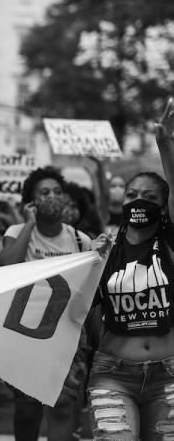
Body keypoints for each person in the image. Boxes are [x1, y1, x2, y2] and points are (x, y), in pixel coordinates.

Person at [0, 166, 109, 441]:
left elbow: (89, 288)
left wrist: (97, 256)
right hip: (25, 334)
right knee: (27, 410)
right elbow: (5, 266)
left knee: (62, 406)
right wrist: (28, 224)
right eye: (44, 192)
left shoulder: (78, 238)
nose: (53, 196)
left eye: (58, 191)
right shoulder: (16, 231)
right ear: (32, 201)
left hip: (66, 335)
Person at [87, 100, 174, 440]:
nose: (140, 201)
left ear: (163, 207)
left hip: (168, 376)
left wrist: (165, 145)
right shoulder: (102, 247)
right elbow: (75, 309)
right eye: (132, 194)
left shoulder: (169, 244)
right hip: (112, 375)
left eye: (150, 197)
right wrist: (92, 265)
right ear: (121, 202)